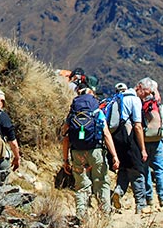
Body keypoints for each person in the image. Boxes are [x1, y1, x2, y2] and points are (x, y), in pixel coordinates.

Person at [60, 76, 119, 221]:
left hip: (77, 152)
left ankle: (81, 216)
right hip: (96, 150)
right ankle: (104, 216)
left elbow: (65, 136)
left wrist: (65, 159)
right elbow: (106, 133)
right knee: (102, 182)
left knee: (81, 186)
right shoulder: (96, 112)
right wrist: (114, 156)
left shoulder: (72, 114)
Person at [110, 73, 148, 214]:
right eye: (146, 93)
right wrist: (143, 149)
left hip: (116, 139)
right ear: (139, 88)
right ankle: (141, 205)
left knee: (124, 168)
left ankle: (118, 191)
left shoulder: (116, 100)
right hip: (129, 138)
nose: (146, 97)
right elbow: (137, 126)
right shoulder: (134, 100)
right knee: (137, 171)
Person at [137, 77, 163, 210]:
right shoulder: (157, 104)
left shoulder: (139, 104)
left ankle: (149, 199)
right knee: (160, 171)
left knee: (145, 171)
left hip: (144, 141)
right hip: (157, 140)